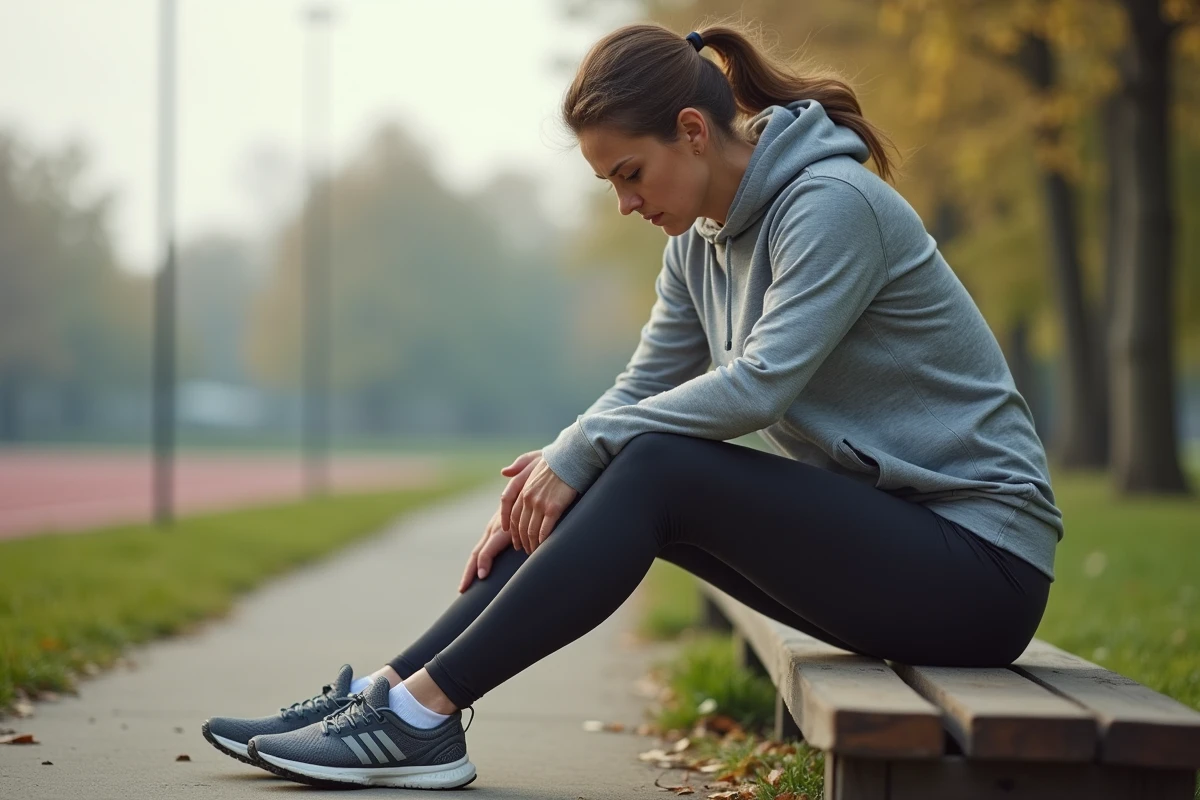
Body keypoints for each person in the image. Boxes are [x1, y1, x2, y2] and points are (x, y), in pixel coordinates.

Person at [201, 21, 1064, 790]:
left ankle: (420, 720)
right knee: (614, 466)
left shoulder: (831, 207)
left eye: (630, 172)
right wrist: (554, 471)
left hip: (981, 569)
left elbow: (760, 382)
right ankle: (386, 698)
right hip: (894, 551)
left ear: (692, 132)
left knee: (652, 464)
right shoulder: (697, 245)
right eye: (610, 182)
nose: (624, 202)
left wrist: (581, 448)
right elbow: (640, 391)